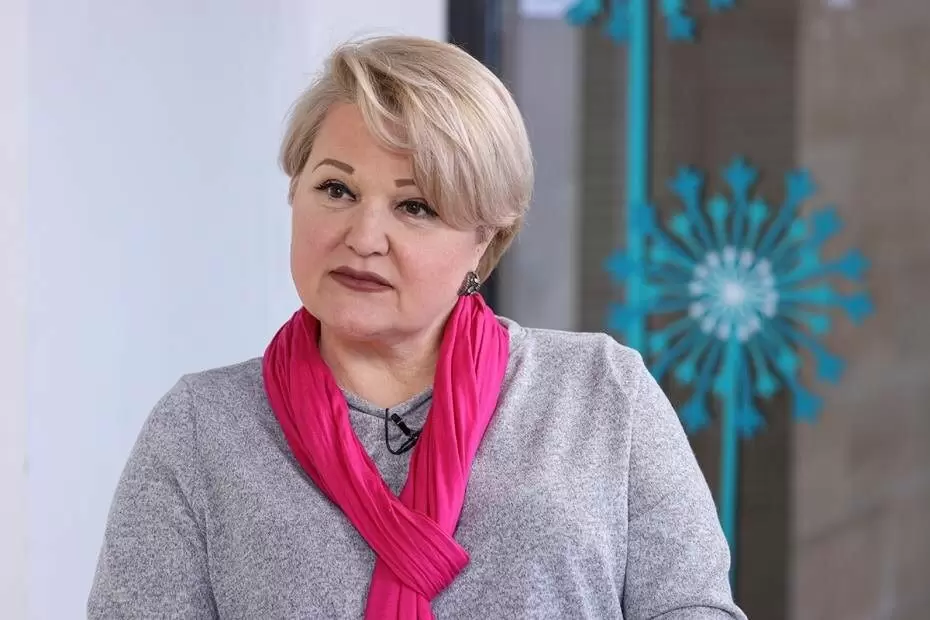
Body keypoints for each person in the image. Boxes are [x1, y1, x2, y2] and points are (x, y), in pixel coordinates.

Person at [88, 35, 746, 619]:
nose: (364, 237)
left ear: (485, 242)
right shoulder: (200, 429)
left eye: (416, 206)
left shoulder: (602, 394)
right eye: (337, 190)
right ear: (295, 194)